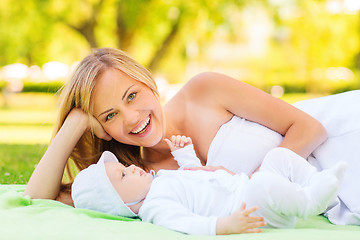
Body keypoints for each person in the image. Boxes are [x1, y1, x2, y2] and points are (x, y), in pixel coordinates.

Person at [24, 47, 360, 227]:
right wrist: (76, 121)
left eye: (132, 95)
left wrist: (257, 182)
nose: (132, 118)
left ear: (146, 81)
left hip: (341, 139)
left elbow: (310, 129)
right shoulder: (137, 182)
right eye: (110, 115)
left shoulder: (203, 91)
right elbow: (39, 198)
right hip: (332, 194)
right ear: (101, 128)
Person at [71, 135, 346, 235]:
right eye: (122, 176)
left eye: (124, 166)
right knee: (263, 184)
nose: (131, 168)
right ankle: (310, 202)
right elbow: (187, 223)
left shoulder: (161, 181)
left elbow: (195, 174)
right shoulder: (155, 207)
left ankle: (313, 181)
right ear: (122, 205)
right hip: (247, 209)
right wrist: (224, 227)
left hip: (244, 186)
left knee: (277, 157)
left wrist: (184, 153)